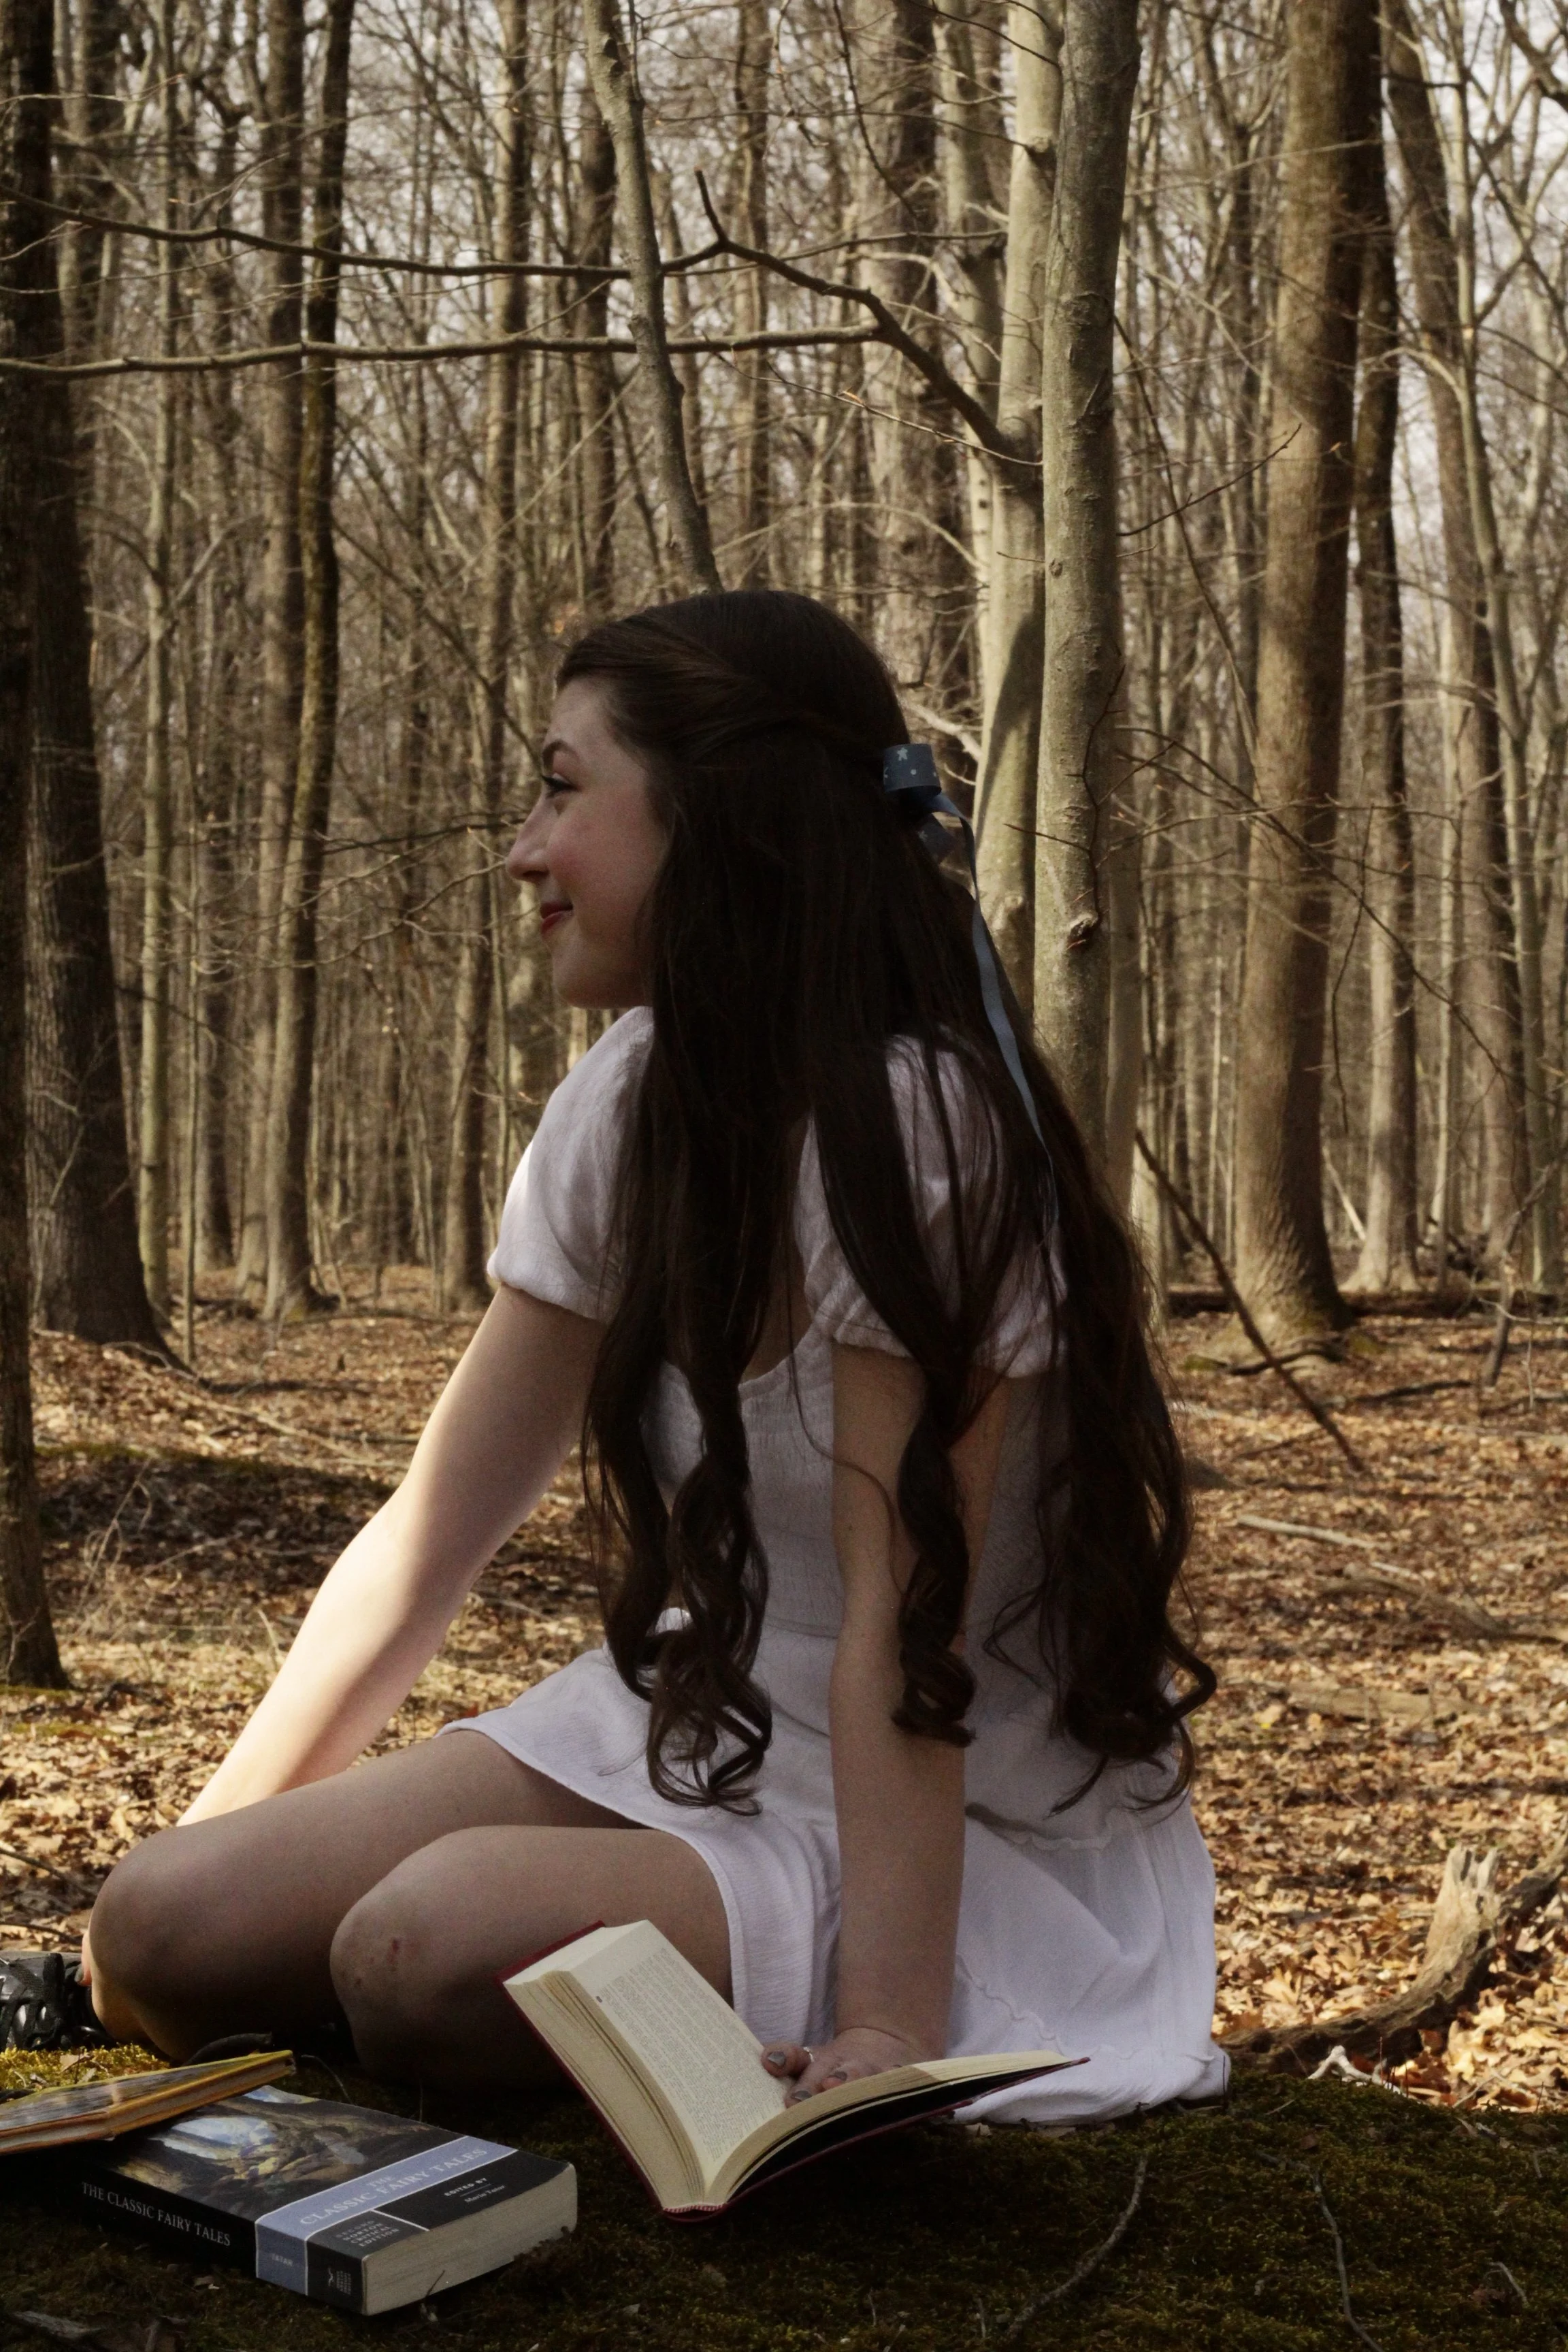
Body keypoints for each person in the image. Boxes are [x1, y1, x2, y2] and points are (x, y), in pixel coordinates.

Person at [86, 591, 1225, 2122]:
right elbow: (428, 1541)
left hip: (958, 1825)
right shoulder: (626, 1107)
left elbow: (909, 1622)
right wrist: (194, 1867)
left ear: (721, 820)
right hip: (714, 1736)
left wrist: (888, 2029)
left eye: (563, 788)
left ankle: (790, 1989)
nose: (522, 851)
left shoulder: (919, 1135)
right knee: (161, 1931)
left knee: (420, 1949)